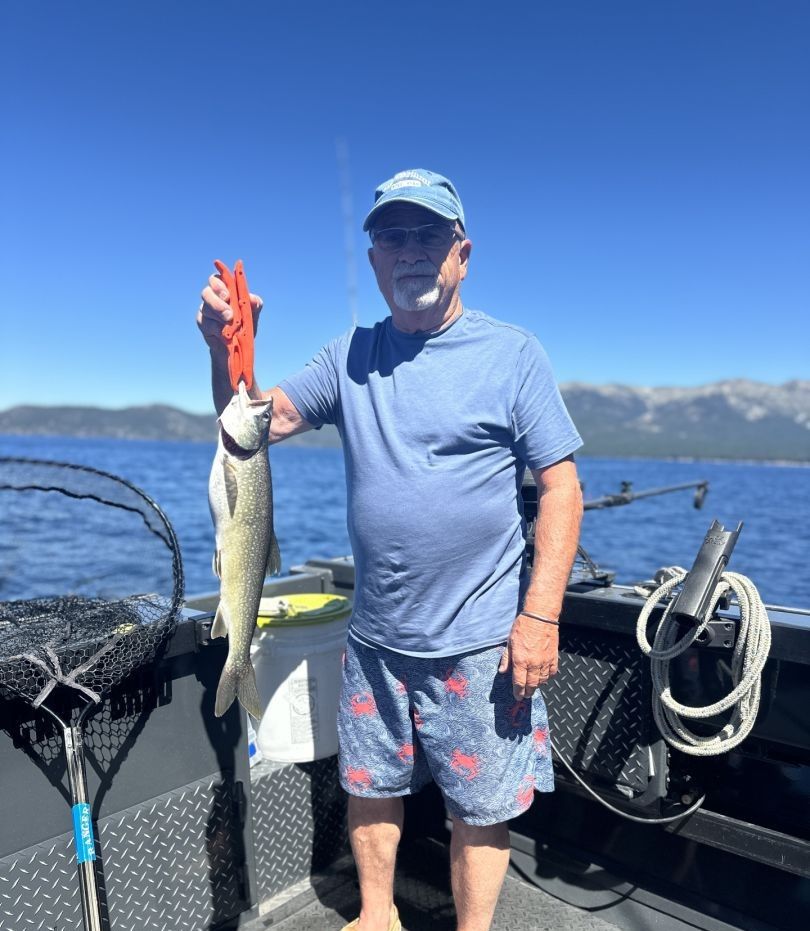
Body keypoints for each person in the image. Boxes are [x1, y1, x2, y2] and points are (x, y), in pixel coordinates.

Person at [197, 169, 583, 931]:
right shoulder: (348, 356)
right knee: (372, 783)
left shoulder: (513, 355)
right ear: (374, 260)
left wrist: (540, 614)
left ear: (461, 254)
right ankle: (377, 914)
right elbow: (247, 427)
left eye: (429, 235)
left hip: (481, 644)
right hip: (375, 637)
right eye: (392, 237)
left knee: (481, 802)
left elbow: (562, 488)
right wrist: (225, 350)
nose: (411, 252)